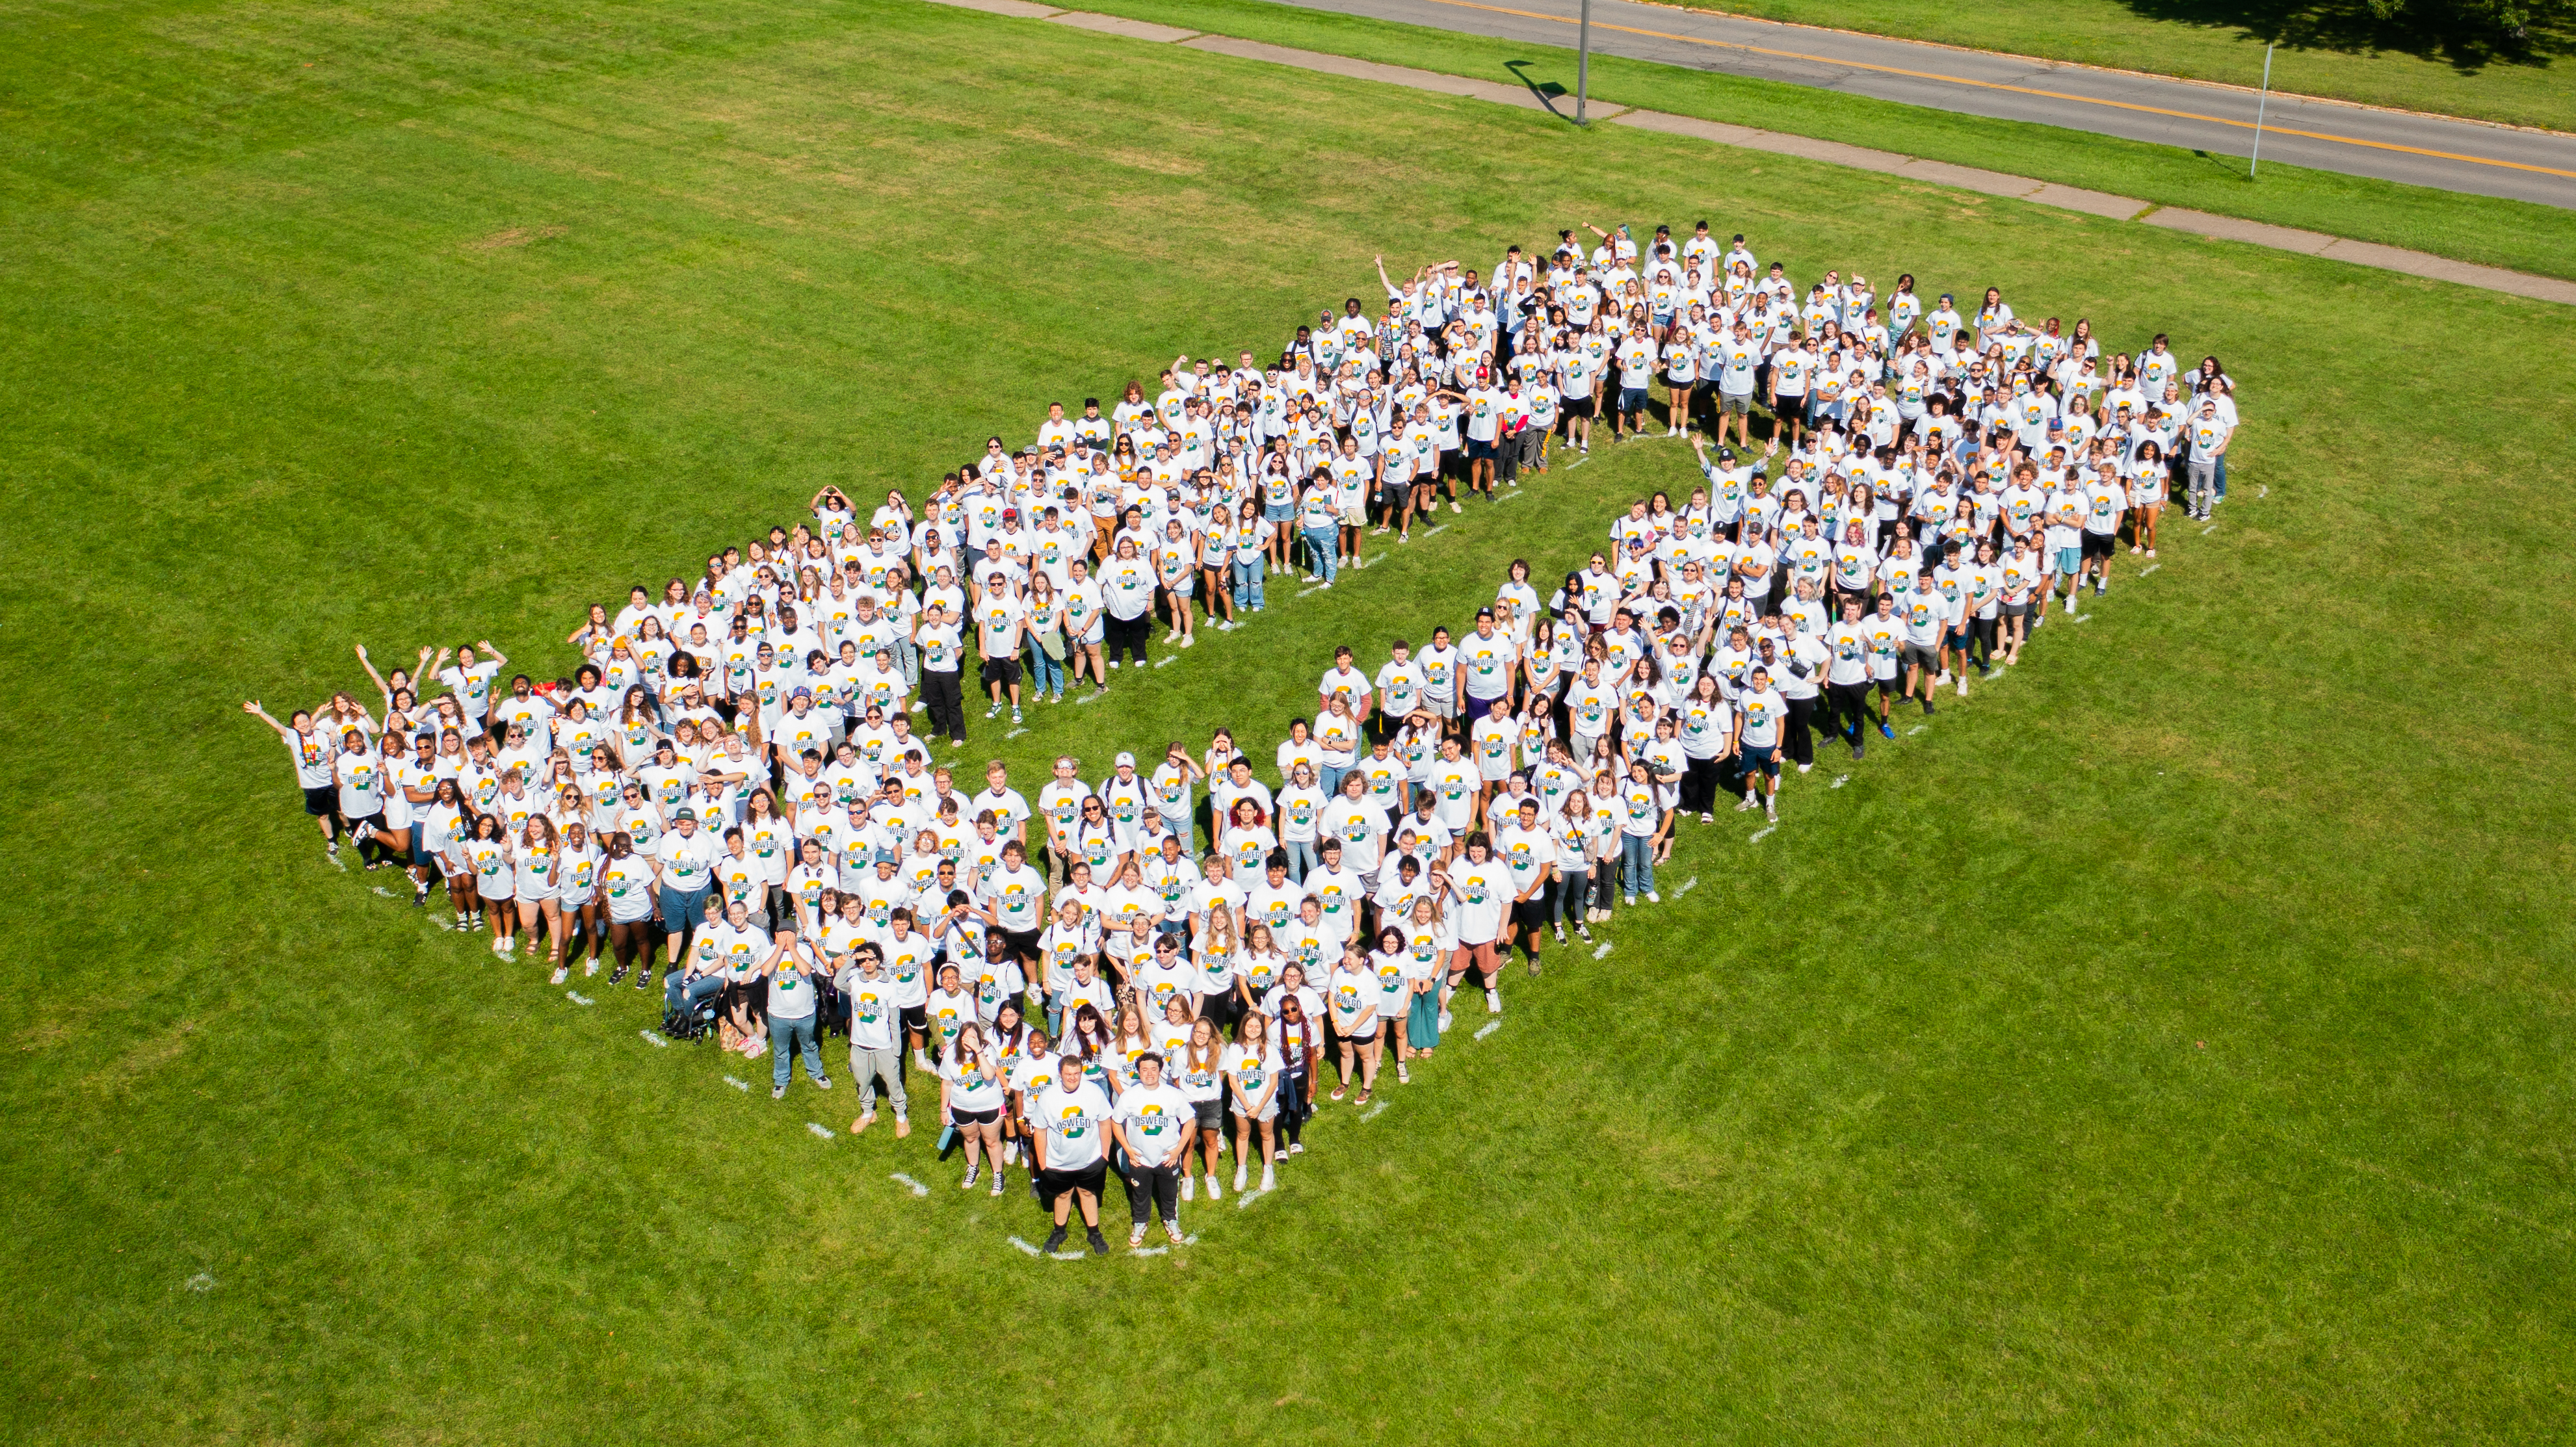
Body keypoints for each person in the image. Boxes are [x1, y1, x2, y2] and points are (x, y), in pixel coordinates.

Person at [1029, 1052, 1118, 1255]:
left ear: (1081, 1072)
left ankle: (1094, 1232)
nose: (1073, 1078)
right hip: (1058, 1163)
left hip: (1090, 1160)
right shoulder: (1048, 1097)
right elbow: (1040, 1131)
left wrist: (1105, 1155)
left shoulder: (1094, 1092)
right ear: (1060, 1073)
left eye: (1076, 1073)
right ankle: (1060, 1231)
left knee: (1088, 1193)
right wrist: (1043, 1165)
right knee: (1063, 1194)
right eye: (1068, 1074)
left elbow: (1105, 1121)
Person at [1113, 1052, 1192, 1247]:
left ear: (1160, 1071)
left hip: (1168, 1157)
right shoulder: (1129, 1096)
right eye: (1144, 1069)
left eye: (1154, 1069)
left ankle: (1170, 1220)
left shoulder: (1173, 1094)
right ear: (1138, 1072)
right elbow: (1116, 1122)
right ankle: (1140, 1222)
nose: (1149, 1073)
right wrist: (1128, 1150)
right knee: (1140, 1194)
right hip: (1140, 1159)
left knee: (1169, 1192)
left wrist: (1178, 1150)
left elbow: (1189, 1121)